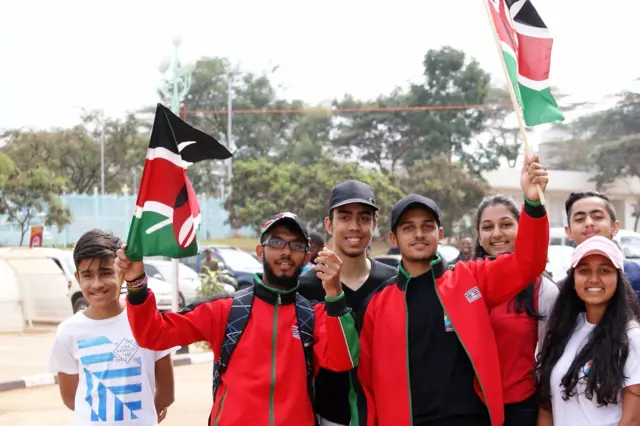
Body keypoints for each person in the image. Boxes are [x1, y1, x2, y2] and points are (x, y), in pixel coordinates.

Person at [355, 153, 550, 426]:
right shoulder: (377, 303)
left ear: (441, 233)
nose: (419, 234)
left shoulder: (470, 279)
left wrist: (532, 202)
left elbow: (529, 263)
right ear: (393, 239)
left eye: (427, 226)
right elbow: (366, 383)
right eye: (408, 228)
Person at [117, 212, 359, 426]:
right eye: (276, 242)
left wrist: (335, 295)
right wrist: (137, 283)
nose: (286, 251)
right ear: (260, 251)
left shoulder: (313, 315)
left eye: (296, 245)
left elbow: (343, 360)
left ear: (306, 257)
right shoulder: (225, 310)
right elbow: (154, 334)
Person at [48, 229, 176, 425]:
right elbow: (72, 398)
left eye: (106, 272)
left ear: (122, 272)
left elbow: (166, 393)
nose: (97, 284)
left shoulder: (147, 321)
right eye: (88, 275)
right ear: (77, 277)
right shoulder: (68, 332)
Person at [299, 180, 397, 426]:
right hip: (328, 417)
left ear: (374, 224)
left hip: (386, 416)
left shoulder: (392, 283)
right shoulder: (306, 287)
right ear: (329, 224)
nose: (355, 227)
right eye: (344, 217)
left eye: (364, 218)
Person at [474, 195, 559, 426]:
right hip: (469, 407)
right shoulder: (464, 284)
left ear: (522, 229)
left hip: (521, 409)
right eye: (487, 227)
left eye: (506, 224)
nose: (497, 233)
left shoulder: (544, 291)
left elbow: (550, 360)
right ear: (479, 238)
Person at [536, 236, 640, 425]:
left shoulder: (632, 338)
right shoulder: (563, 331)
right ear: (573, 278)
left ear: (618, 278)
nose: (594, 279)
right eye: (584, 270)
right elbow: (547, 406)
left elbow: (632, 420)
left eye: (604, 270)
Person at [561, 191, 640, 295]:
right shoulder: (561, 291)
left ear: (614, 227)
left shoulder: (636, 276)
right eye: (580, 219)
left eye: (597, 217)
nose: (589, 223)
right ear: (569, 232)